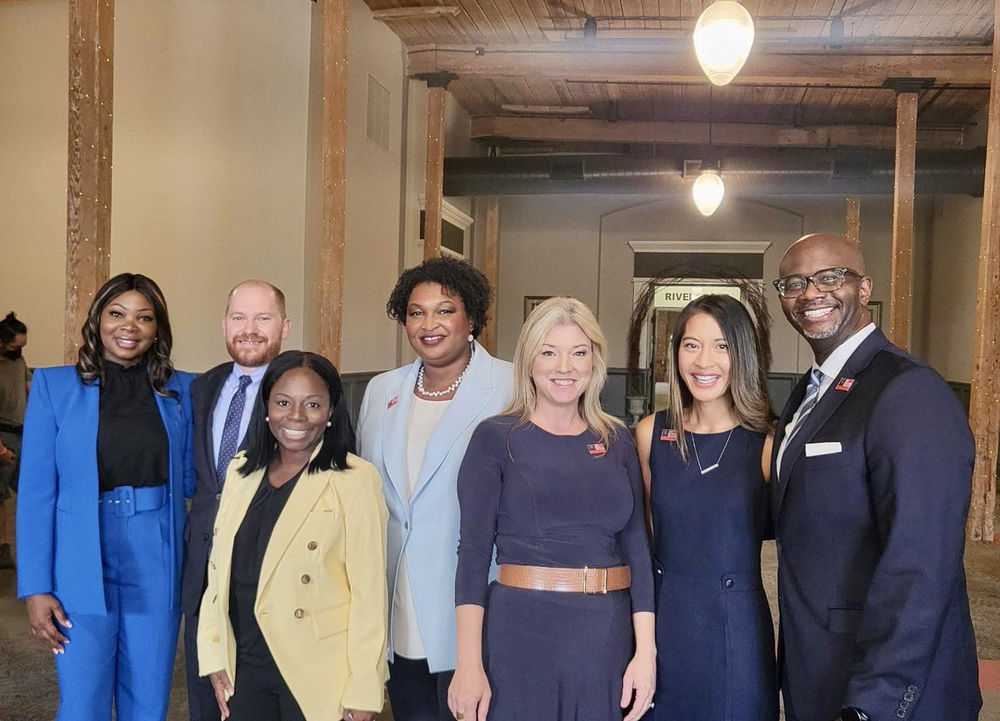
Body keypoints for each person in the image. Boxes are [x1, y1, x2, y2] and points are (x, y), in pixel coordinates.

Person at [770, 233, 981, 721]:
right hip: (818, 670)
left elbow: (923, 561)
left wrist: (877, 701)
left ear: (864, 289)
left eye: (830, 277)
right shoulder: (811, 391)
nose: (810, 293)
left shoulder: (907, 390)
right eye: (794, 283)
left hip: (880, 690)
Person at [449, 296, 655, 721]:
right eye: (549, 352)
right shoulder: (495, 438)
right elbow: (471, 555)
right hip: (522, 631)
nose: (565, 367)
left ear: (594, 362)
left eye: (579, 353)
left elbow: (637, 548)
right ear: (528, 360)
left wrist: (646, 653)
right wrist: (468, 665)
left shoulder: (618, 440)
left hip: (606, 635)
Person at [16, 273, 195, 721]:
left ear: (158, 329)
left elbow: (202, 477)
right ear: (97, 320)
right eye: (117, 313)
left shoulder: (185, 391)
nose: (128, 326)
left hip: (157, 551)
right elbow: (36, 496)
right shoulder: (53, 388)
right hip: (79, 553)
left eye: (144, 317)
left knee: (149, 700)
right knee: (82, 700)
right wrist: (36, 587)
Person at [357, 256, 513, 721]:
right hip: (398, 598)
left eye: (445, 310)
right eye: (415, 312)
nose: (429, 324)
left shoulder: (510, 385)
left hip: (476, 597)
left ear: (472, 319)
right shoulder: (382, 390)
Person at [197, 350, 388, 721]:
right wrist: (214, 652)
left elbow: (369, 595)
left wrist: (364, 689)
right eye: (283, 402)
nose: (297, 416)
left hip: (318, 671)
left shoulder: (354, 478)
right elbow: (217, 573)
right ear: (266, 405)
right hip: (244, 664)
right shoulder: (241, 471)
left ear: (331, 411)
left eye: (313, 404)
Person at [634, 294, 778, 721]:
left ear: (743, 354)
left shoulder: (768, 443)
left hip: (736, 626)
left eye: (722, 346)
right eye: (691, 345)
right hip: (664, 618)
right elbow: (640, 541)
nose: (704, 361)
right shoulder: (649, 434)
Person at [181, 279, 291, 721]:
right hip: (203, 573)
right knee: (207, 702)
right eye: (239, 318)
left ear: (284, 326)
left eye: (263, 318)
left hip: (270, 578)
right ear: (224, 324)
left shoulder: (306, 389)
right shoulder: (200, 389)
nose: (250, 328)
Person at [0, 311, 30, 569]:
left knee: (29, 492)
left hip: (22, 435)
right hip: (3, 436)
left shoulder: (18, 362)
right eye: (15, 346)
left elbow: (29, 387)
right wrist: (1, 450)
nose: (19, 350)